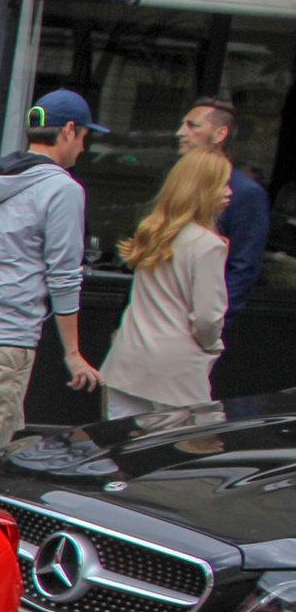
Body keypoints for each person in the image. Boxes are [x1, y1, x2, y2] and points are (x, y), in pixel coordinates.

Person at [0, 88, 102, 480]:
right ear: (67, 131)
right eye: (83, 136)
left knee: (1, 440)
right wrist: (73, 352)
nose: (83, 147)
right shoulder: (63, 188)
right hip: (7, 333)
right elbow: (64, 274)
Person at [100, 149, 231, 417]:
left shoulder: (151, 231)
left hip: (128, 359)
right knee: (183, 451)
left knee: (121, 448)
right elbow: (207, 318)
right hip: (176, 372)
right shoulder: (209, 246)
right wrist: (212, 347)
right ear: (202, 189)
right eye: (223, 184)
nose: (229, 192)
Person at [176, 97, 267, 331]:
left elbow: (243, 268)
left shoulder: (245, 193)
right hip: (148, 322)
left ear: (219, 134)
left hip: (195, 328)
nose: (180, 132)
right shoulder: (178, 183)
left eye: (192, 125)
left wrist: (211, 330)